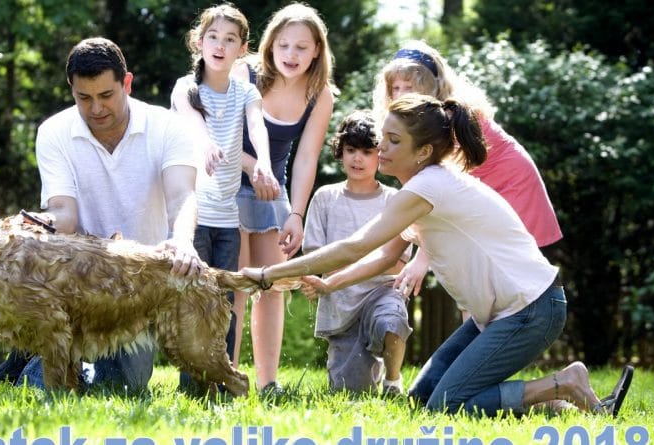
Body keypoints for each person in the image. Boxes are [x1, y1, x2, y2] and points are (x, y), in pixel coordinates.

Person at [242, 93, 632, 417]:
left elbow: (355, 245)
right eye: (384, 138)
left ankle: (564, 382)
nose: (382, 148)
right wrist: (329, 283)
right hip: (501, 314)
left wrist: (266, 274)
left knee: (449, 404)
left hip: (532, 309)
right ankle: (561, 404)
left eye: (393, 141)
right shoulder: (421, 187)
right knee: (420, 403)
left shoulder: (430, 186)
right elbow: (381, 257)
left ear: (423, 150)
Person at [0, 37, 204, 391]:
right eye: (83, 98)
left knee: (123, 386)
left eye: (106, 96)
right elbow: (65, 215)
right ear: (71, 90)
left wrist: (181, 241)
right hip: (74, 279)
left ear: (127, 84)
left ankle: (52, 360)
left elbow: (182, 195)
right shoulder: (54, 132)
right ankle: (43, 358)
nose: (96, 109)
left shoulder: (168, 127)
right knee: (40, 387)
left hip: (138, 284)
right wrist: (36, 225)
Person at [372, 40, 562, 303]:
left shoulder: (448, 119)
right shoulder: (418, 124)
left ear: (430, 87)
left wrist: (421, 259)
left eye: (410, 87)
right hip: (482, 195)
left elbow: (440, 192)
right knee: (478, 286)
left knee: (502, 287)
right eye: (396, 88)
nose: (402, 95)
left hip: (511, 188)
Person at [169, 3, 278, 393]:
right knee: (193, 300)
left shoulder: (246, 91)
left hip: (227, 219)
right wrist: (207, 144)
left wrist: (262, 162)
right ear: (199, 42)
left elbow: (256, 125)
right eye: (213, 37)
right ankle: (192, 384)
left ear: (242, 49)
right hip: (192, 216)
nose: (220, 45)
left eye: (230, 39)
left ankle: (222, 381)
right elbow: (192, 120)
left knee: (225, 303)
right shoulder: (186, 87)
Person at [229, 2, 335, 396]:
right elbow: (218, 140)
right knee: (236, 284)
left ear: (317, 52)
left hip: (273, 192)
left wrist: (296, 213)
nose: (291, 55)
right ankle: (229, 377)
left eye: (302, 47)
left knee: (270, 286)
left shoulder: (319, 94)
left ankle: (268, 382)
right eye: (284, 45)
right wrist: (256, 167)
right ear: (270, 46)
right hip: (228, 184)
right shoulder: (246, 75)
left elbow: (306, 157)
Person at [300, 110, 411, 395]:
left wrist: (357, 269)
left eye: (367, 151)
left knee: (392, 322)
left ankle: (393, 380)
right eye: (350, 150)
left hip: (382, 292)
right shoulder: (325, 198)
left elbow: (398, 264)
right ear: (340, 152)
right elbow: (315, 258)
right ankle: (362, 376)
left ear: (380, 156)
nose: (357, 158)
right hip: (340, 303)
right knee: (349, 395)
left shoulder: (395, 200)